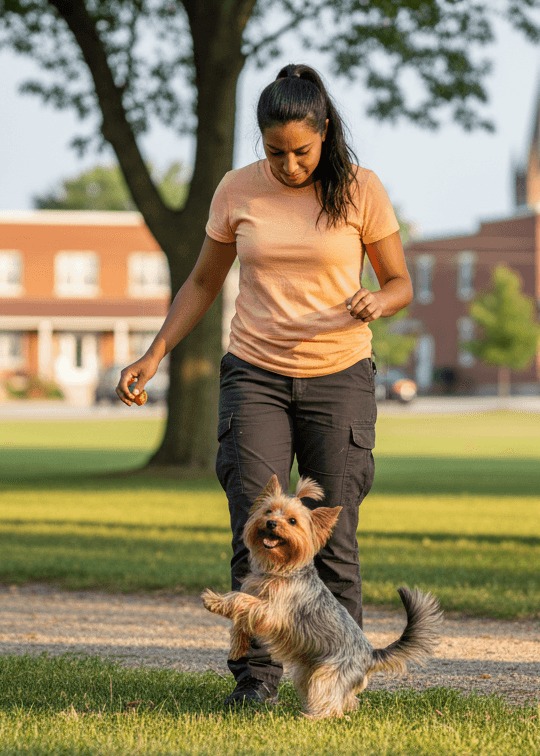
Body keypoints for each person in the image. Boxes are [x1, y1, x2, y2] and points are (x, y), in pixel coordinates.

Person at [115, 62, 412, 706]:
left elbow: (400, 283)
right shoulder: (237, 189)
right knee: (256, 531)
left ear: (325, 132)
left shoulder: (361, 189)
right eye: (275, 152)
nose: (289, 165)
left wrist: (378, 302)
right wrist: (155, 352)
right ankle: (255, 682)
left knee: (333, 539)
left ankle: (338, 680)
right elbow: (203, 281)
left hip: (340, 376)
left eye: (301, 151)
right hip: (255, 374)